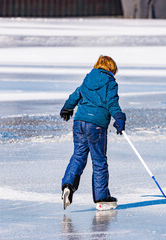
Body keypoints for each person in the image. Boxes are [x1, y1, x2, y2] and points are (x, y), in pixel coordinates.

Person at [60, 55, 126, 210]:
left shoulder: (88, 78)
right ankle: (101, 198)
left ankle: (68, 185)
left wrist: (67, 108)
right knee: (99, 162)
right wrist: (119, 118)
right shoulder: (110, 82)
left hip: (79, 123)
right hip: (96, 126)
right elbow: (112, 103)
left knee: (78, 156)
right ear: (112, 68)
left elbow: (76, 94)